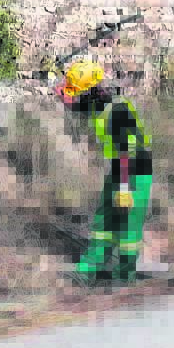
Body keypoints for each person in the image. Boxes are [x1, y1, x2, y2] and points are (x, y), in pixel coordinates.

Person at [57, 56, 153, 286]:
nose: (77, 95)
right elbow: (73, 104)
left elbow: (125, 151)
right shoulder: (97, 103)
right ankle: (88, 270)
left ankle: (124, 277)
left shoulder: (117, 111)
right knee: (104, 223)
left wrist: (123, 188)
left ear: (89, 90)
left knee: (128, 226)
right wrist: (62, 89)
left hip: (134, 171)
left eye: (78, 91)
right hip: (119, 169)